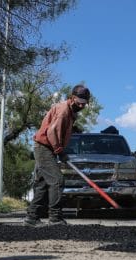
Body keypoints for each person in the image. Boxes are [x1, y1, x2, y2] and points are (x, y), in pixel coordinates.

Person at [25, 84, 91, 226]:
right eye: (80, 102)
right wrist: (59, 150)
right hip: (44, 148)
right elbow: (51, 132)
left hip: (46, 148)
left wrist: (72, 129)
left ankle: (32, 217)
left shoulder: (70, 111)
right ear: (73, 98)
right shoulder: (64, 111)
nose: (82, 105)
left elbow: (59, 128)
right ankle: (55, 218)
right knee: (57, 181)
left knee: (43, 183)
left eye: (85, 103)